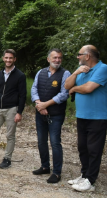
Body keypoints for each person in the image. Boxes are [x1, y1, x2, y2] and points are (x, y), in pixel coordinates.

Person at [64, 45, 107, 192]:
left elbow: (88, 88)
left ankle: (90, 181)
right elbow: (66, 85)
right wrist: (76, 73)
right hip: (82, 116)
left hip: (97, 117)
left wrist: (75, 89)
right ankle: (84, 175)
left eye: (79, 54)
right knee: (83, 147)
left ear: (87, 56)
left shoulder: (103, 68)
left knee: (94, 149)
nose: (78, 57)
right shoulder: (81, 71)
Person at [31, 48, 70, 183]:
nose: (57, 60)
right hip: (40, 113)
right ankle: (44, 166)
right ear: (48, 59)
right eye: (54, 58)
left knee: (55, 142)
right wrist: (38, 103)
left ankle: (57, 172)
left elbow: (64, 94)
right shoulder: (41, 72)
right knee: (41, 141)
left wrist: (45, 105)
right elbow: (34, 89)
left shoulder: (65, 73)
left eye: (59, 57)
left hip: (56, 114)